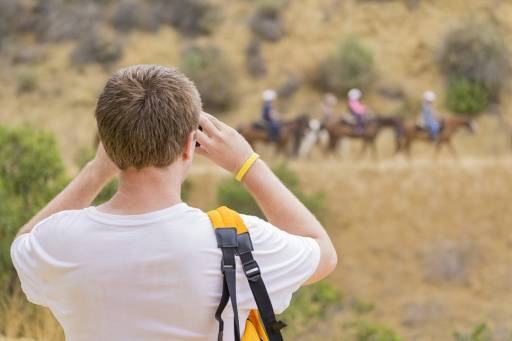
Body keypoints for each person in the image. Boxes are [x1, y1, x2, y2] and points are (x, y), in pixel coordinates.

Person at [10, 65, 337, 341]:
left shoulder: (60, 241)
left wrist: (96, 171)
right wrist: (247, 164)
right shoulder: (237, 242)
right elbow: (323, 251)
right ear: (188, 146)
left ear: (106, 144)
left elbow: (24, 241)